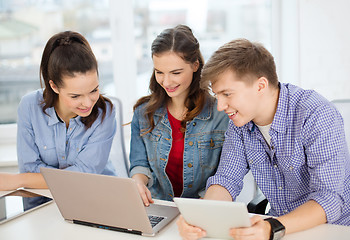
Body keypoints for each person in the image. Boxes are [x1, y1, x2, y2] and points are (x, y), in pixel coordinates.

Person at [177, 38, 350, 240]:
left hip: (333, 230)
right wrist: (202, 216)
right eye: (218, 95)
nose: (220, 106)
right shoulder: (239, 123)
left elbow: (328, 198)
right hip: (277, 229)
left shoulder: (316, 114)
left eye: (227, 94)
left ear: (260, 86)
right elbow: (226, 180)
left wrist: (272, 227)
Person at [0, 31, 116, 191]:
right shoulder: (29, 106)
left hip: (94, 196)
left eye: (94, 90)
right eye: (75, 96)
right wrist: (30, 177)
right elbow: (29, 168)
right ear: (54, 86)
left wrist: (21, 180)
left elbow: (85, 175)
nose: (88, 102)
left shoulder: (105, 112)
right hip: (42, 201)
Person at [129, 25, 229, 205]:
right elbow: (139, 164)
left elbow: (226, 175)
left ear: (195, 65)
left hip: (204, 206)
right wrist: (137, 182)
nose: (166, 82)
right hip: (157, 204)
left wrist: (203, 206)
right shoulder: (143, 112)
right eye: (159, 72)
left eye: (176, 73)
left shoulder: (221, 114)